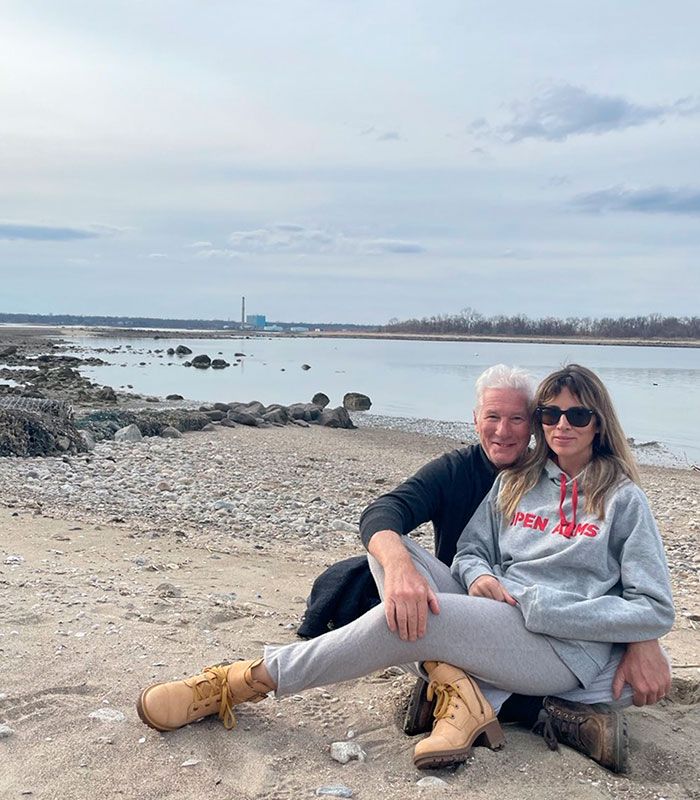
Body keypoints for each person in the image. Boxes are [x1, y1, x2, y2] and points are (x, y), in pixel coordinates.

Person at [136, 364, 674, 774]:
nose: (560, 424)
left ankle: (242, 681)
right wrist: (473, 577)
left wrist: (545, 607)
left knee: (410, 621)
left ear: (598, 422)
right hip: (492, 610)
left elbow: (653, 607)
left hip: (552, 640)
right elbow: (469, 551)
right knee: (388, 550)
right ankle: (464, 695)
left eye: (575, 415)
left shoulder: (623, 500)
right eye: (550, 414)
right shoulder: (518, 482)